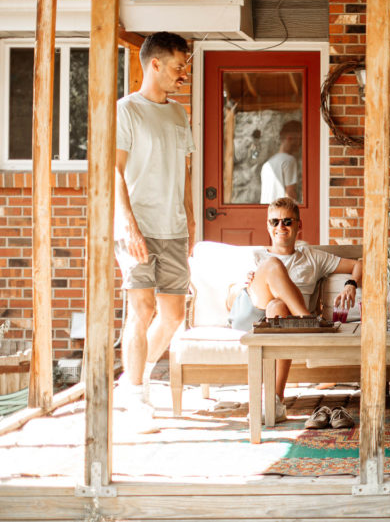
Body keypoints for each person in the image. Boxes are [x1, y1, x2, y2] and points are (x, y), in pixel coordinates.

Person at [113, 31, 195, 430]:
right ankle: (135, 396)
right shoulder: (126, 110)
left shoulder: (180, 114)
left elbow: (186, 170)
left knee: (174, 313)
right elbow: (114, 170)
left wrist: (190, 217)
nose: (184, 73)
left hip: (173, 225)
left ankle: (136, 374)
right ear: (155, 64)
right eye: (179, 66)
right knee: (142, 308)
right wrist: (127, 222)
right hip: (137, 225)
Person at [226, 197, 362, 423]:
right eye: (275, 222)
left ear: (299, 225)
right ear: (268, 226)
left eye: (287, 221)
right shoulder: (257, 256)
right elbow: (230, 298)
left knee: (279, 307)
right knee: (272, 265)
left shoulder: (313, 257)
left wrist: (351, 284)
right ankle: (308, 320)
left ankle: (274, 401)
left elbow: (359, 263)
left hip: (284, 320)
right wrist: (243, 282)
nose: (281, 227)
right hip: (252, 313)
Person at [260, 119, 302, 203]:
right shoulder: (289, 160)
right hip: (281, 213)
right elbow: (290, 194)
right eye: (300, 139)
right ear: (289, 138)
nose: (301, 143)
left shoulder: (267, 164)